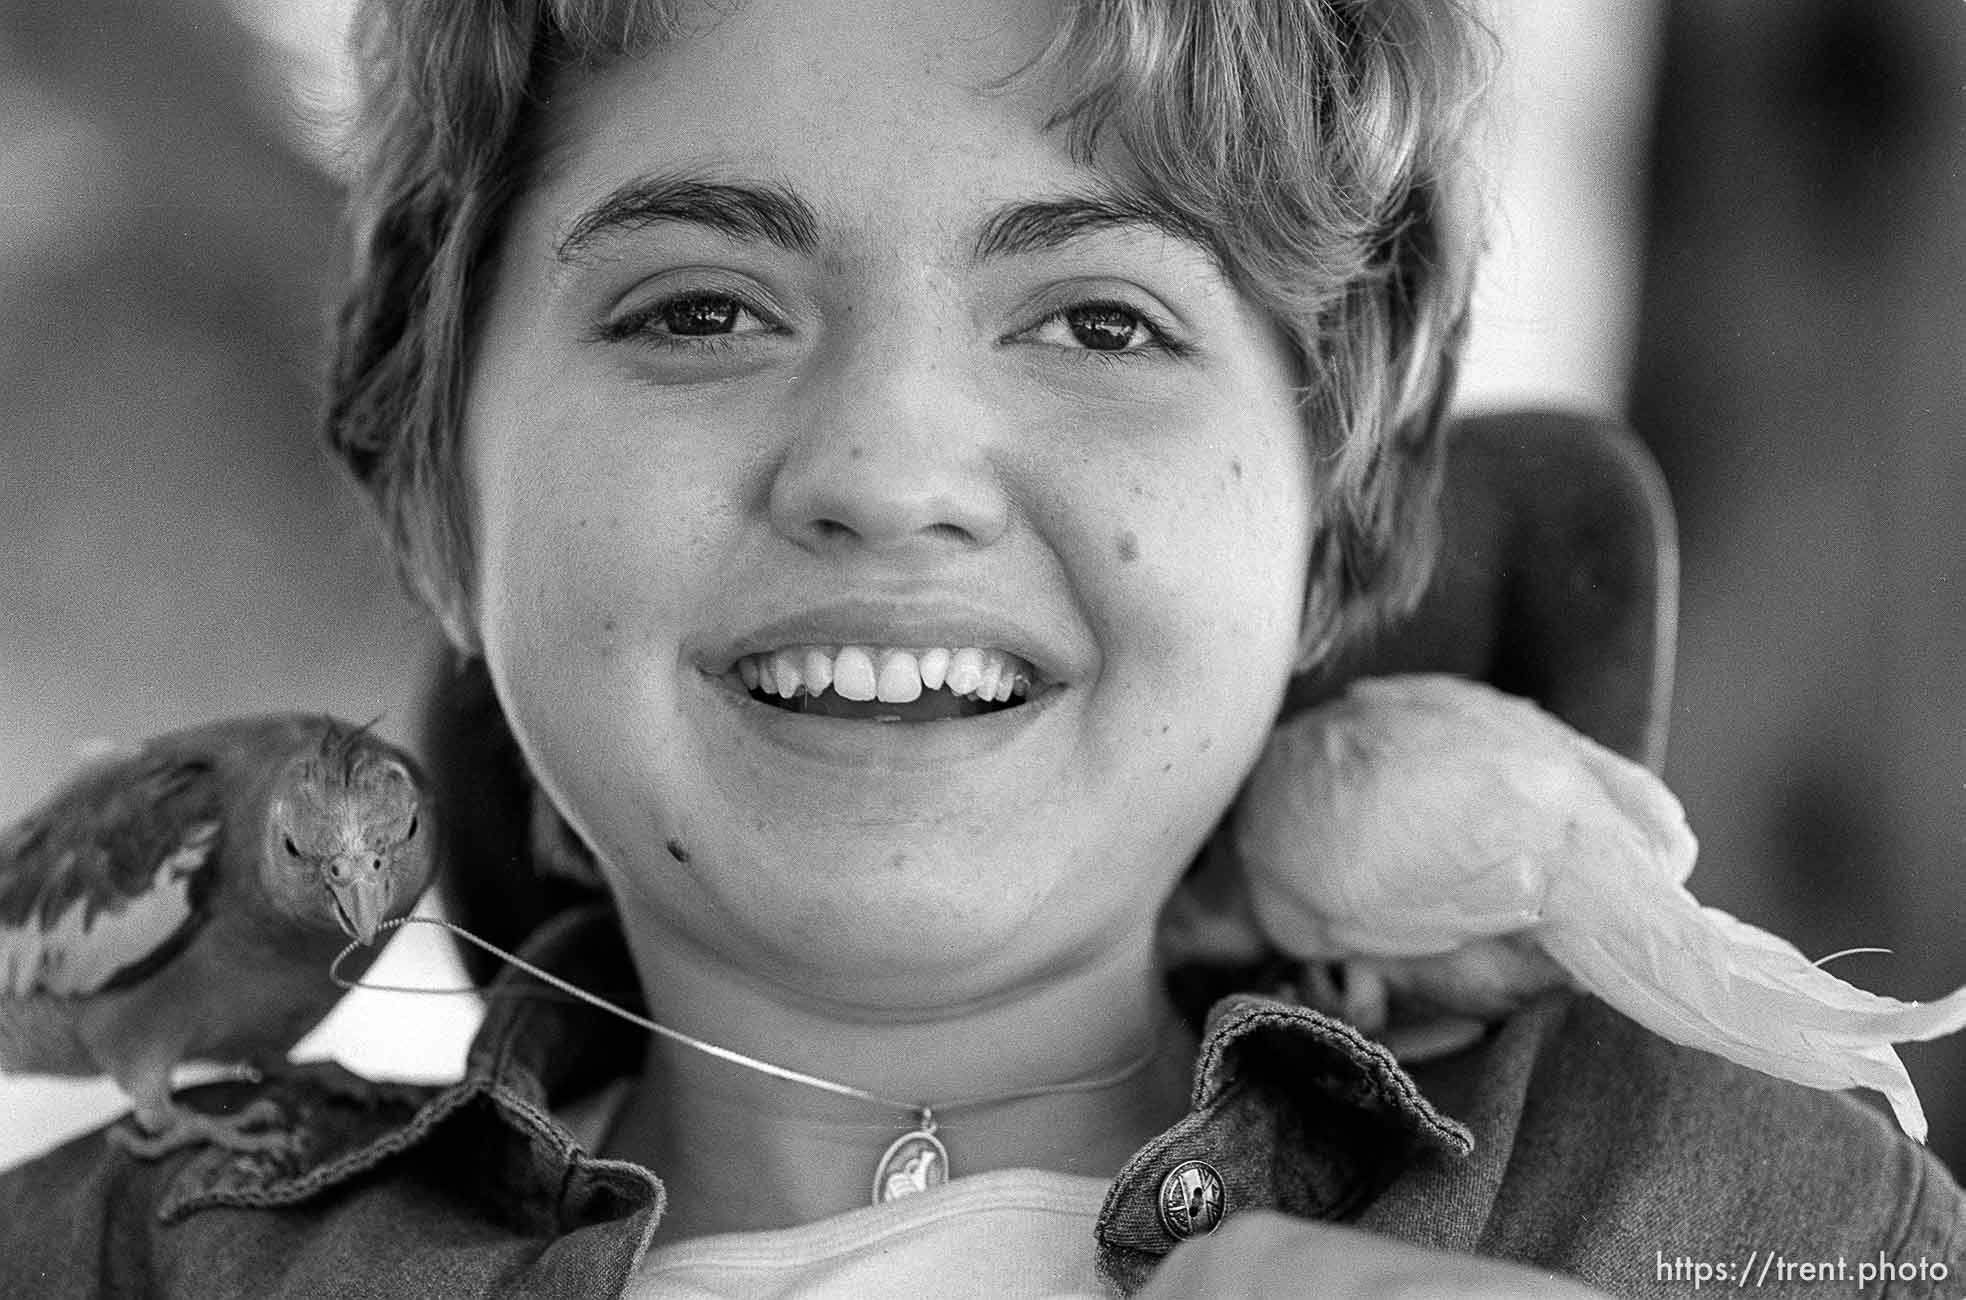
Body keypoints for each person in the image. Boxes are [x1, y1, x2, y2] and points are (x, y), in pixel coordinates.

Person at [2, 0, 1960, 1295]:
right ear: (431, 485)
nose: (884, 468)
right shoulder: (106, 1257)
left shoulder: (1777, 1222)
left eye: (1100, 320)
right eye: (697, 309)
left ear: (1330, 522)